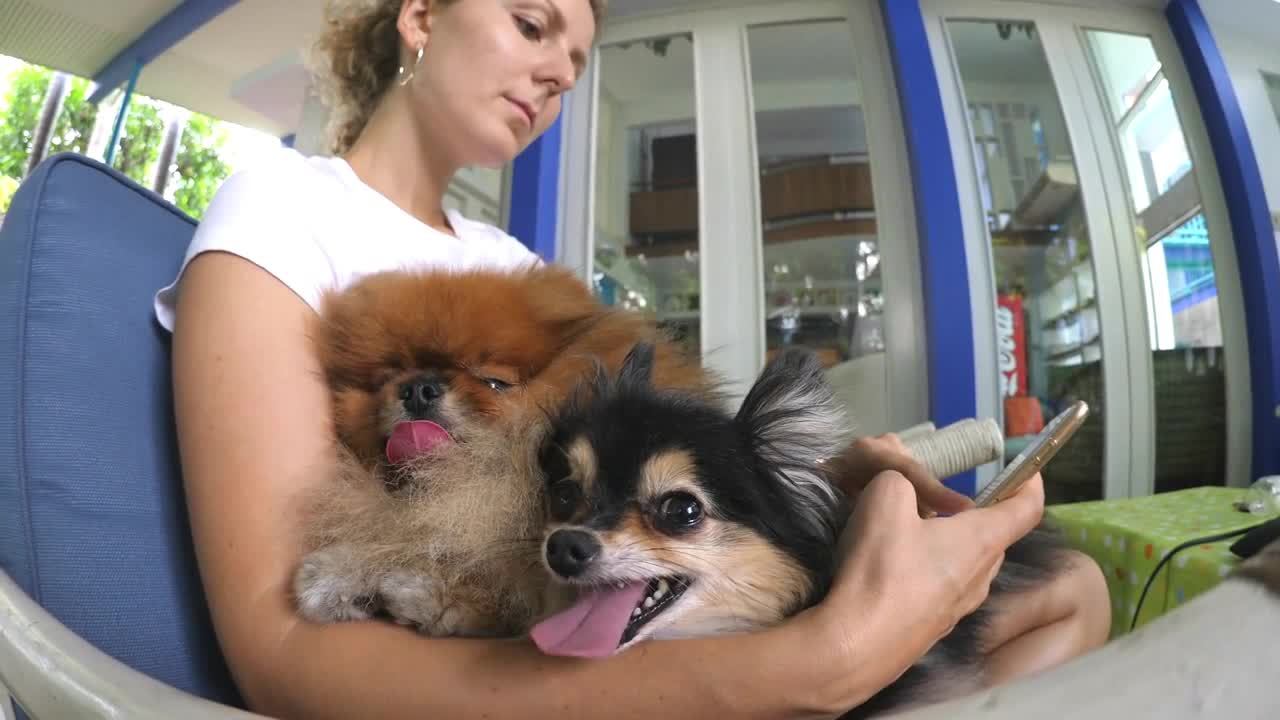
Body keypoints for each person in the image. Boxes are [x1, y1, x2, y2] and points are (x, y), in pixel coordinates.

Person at [154, 1, 1109, 718]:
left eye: (573, 65)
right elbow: (281, 648)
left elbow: (665, 447)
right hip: (554, 655)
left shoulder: (515, 264)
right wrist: (809, 666)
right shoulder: (281, 206)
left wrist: (804, 487)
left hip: (645, 590)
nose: (554, 76)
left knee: (1071, 586)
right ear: (421, 15)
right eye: (533, 26)